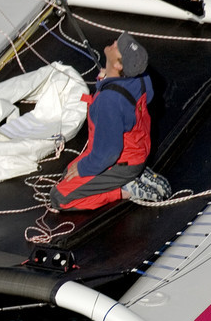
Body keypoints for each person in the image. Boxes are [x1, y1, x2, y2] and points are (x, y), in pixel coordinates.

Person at [49, 32, 168, 210]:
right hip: (138, 151)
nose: (113, 43)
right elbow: (145, 96)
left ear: (119, 64)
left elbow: (109, 153)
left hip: (120, 162)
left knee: (59, 197)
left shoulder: (109, 101)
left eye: (116, 46)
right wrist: (107, 80)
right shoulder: (142, 78)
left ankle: (125, 189)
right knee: (68, 174)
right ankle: (134, 174)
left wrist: (84, 169)